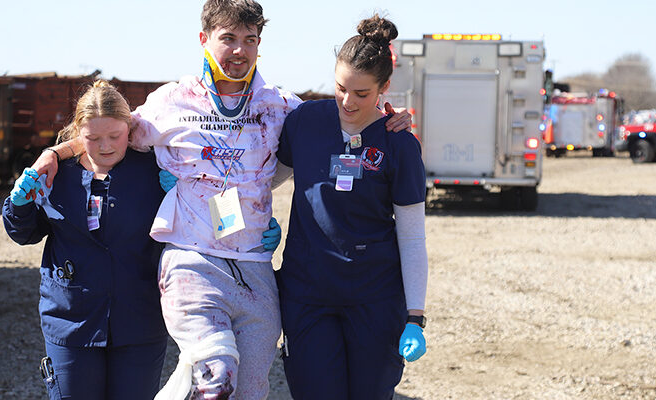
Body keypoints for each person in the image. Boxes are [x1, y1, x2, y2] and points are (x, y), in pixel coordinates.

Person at [30, 1, 411, 398]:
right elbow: (107, 134)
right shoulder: (170, 102)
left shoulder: (281, 107)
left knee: (249, 389)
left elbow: (350, 116)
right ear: (204, 40)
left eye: (250, 40)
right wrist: (55, 153)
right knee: (216, 374)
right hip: (191, 261)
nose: (239, 51)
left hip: (254, 267)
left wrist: (390, 118)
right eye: (227, 38)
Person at [274, 15, 429, 399]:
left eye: (362, 93)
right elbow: (265, 180)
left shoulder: (399, 144)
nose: (348, 101)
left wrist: (415, 316)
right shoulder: (305, 122)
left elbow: (411, 236)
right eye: (341, 88)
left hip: (374, 300)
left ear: (385, 88)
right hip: (307, 295)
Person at [2, 80, 169, 400]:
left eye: (114, 136)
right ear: (78, 133)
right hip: (70, 321)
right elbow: (24, 233)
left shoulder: (152, 171)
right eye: (93, 138)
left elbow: (201, 210)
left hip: (139, 321)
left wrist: (245, 227)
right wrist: (19, 203)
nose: (105, 146)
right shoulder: (56, 174)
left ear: (130, 128)